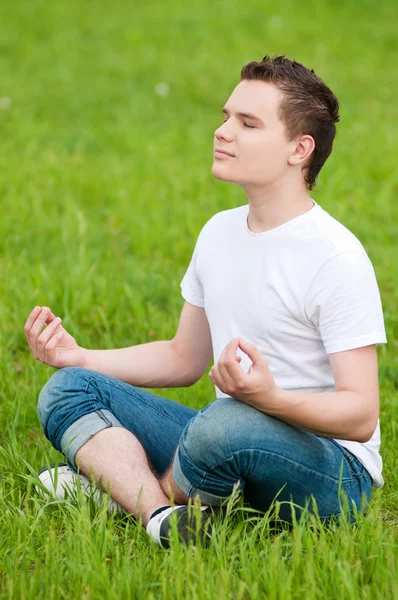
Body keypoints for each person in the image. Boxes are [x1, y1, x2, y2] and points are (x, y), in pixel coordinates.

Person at [24, 55, 387, 548]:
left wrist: (269, 400)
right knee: (68, 389)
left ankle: (118, 488)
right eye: (225, 116)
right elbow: (183, 358)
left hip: (331, 471)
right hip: (227, 436)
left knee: (223, 424)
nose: (223, 131)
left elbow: (362, 414)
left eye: (248, 123)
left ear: (299, 149)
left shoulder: (335, 256)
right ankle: (161, 515)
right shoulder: (218, 233)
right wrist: (80, 357)